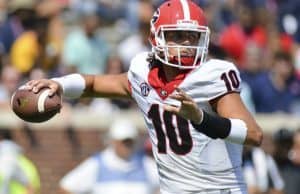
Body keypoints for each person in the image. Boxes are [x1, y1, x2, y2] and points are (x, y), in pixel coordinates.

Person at [25, 0, 263, 193]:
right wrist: (59, 84)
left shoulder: (213, 74)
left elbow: (253, 134)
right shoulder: (142, 71)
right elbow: (96, 83)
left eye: (193, 36)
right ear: (157, 37)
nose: (188, 44)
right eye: (179, 35)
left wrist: (200, 118)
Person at [59, 119, 159, 194]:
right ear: (113, 141)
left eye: (129, 141)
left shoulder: (146, 164)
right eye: (123, 142)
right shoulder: (96, 164)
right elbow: (66, 187)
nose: (126, 146)